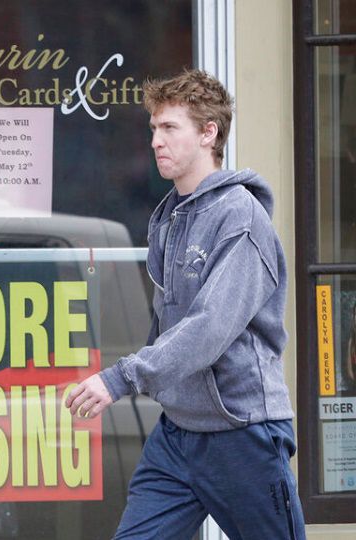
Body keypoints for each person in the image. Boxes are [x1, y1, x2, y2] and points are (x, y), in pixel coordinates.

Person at [64, 69, 306, 539]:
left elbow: (209, 328)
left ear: (208, 133)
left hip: (242, 432)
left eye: (170, 127)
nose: (156, 140)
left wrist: (122, 378)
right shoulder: (170, 218)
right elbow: (167, 322)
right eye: (154, 128)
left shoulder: (240, 218)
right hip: (177, 434)